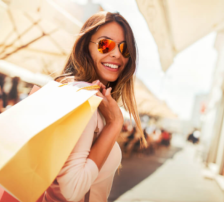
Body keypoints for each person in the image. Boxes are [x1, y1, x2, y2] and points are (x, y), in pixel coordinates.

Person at [44, 12, 147, 202]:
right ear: (86, 47)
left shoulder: (82, 95)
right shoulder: (83, 97)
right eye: (105, 44)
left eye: (124, 49)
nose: (116, 54)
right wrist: (114, 124)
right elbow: (72, 190)